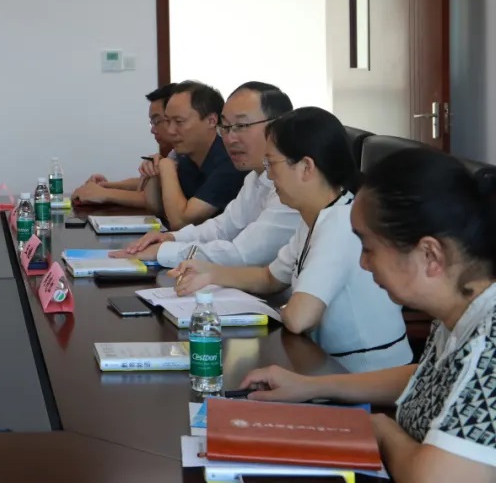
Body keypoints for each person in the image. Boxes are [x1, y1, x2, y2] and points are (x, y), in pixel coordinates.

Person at [240, 148, 496, 482]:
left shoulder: (489, 339)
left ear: (430, 254)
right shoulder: (460, 307)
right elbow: (429, 378)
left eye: (369, 248)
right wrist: (309, 386)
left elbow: (433, 478)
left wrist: (381, 429)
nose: (363, 263)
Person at [169, 107, 412, 373]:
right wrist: (210, 273)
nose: (269, 176)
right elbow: (270, 278)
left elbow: (299, 318)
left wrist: (282, 308)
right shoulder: (316, 215)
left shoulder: (341, 223)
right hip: (325, 366)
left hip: (364, 376)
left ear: (306, 167)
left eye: (272, 164)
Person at [114, 82, 300, 267]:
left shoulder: (294, 182)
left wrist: (164, 252)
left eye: (242, 125)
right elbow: (222, 228)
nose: (230, 138)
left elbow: (243, 254)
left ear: (278, 126)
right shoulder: (255, 176)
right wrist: (171, 238)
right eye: (225, 127)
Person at [140, 81, 246, 229]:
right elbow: (157, 208)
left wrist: (166, 167)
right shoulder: (186, 156)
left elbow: (180, 222)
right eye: (168, 121)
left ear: (211, 121)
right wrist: (153, 172)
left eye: (179, 122)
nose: (170, 131)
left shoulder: (230, 161)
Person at [73, 83, 177, 208]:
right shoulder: (176, 154)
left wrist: (103, 194)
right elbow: (151, 185)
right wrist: (106, 186)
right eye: (151, 123)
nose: (152, 130)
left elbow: (156, 200)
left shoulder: (189, 156)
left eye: (157, 121)